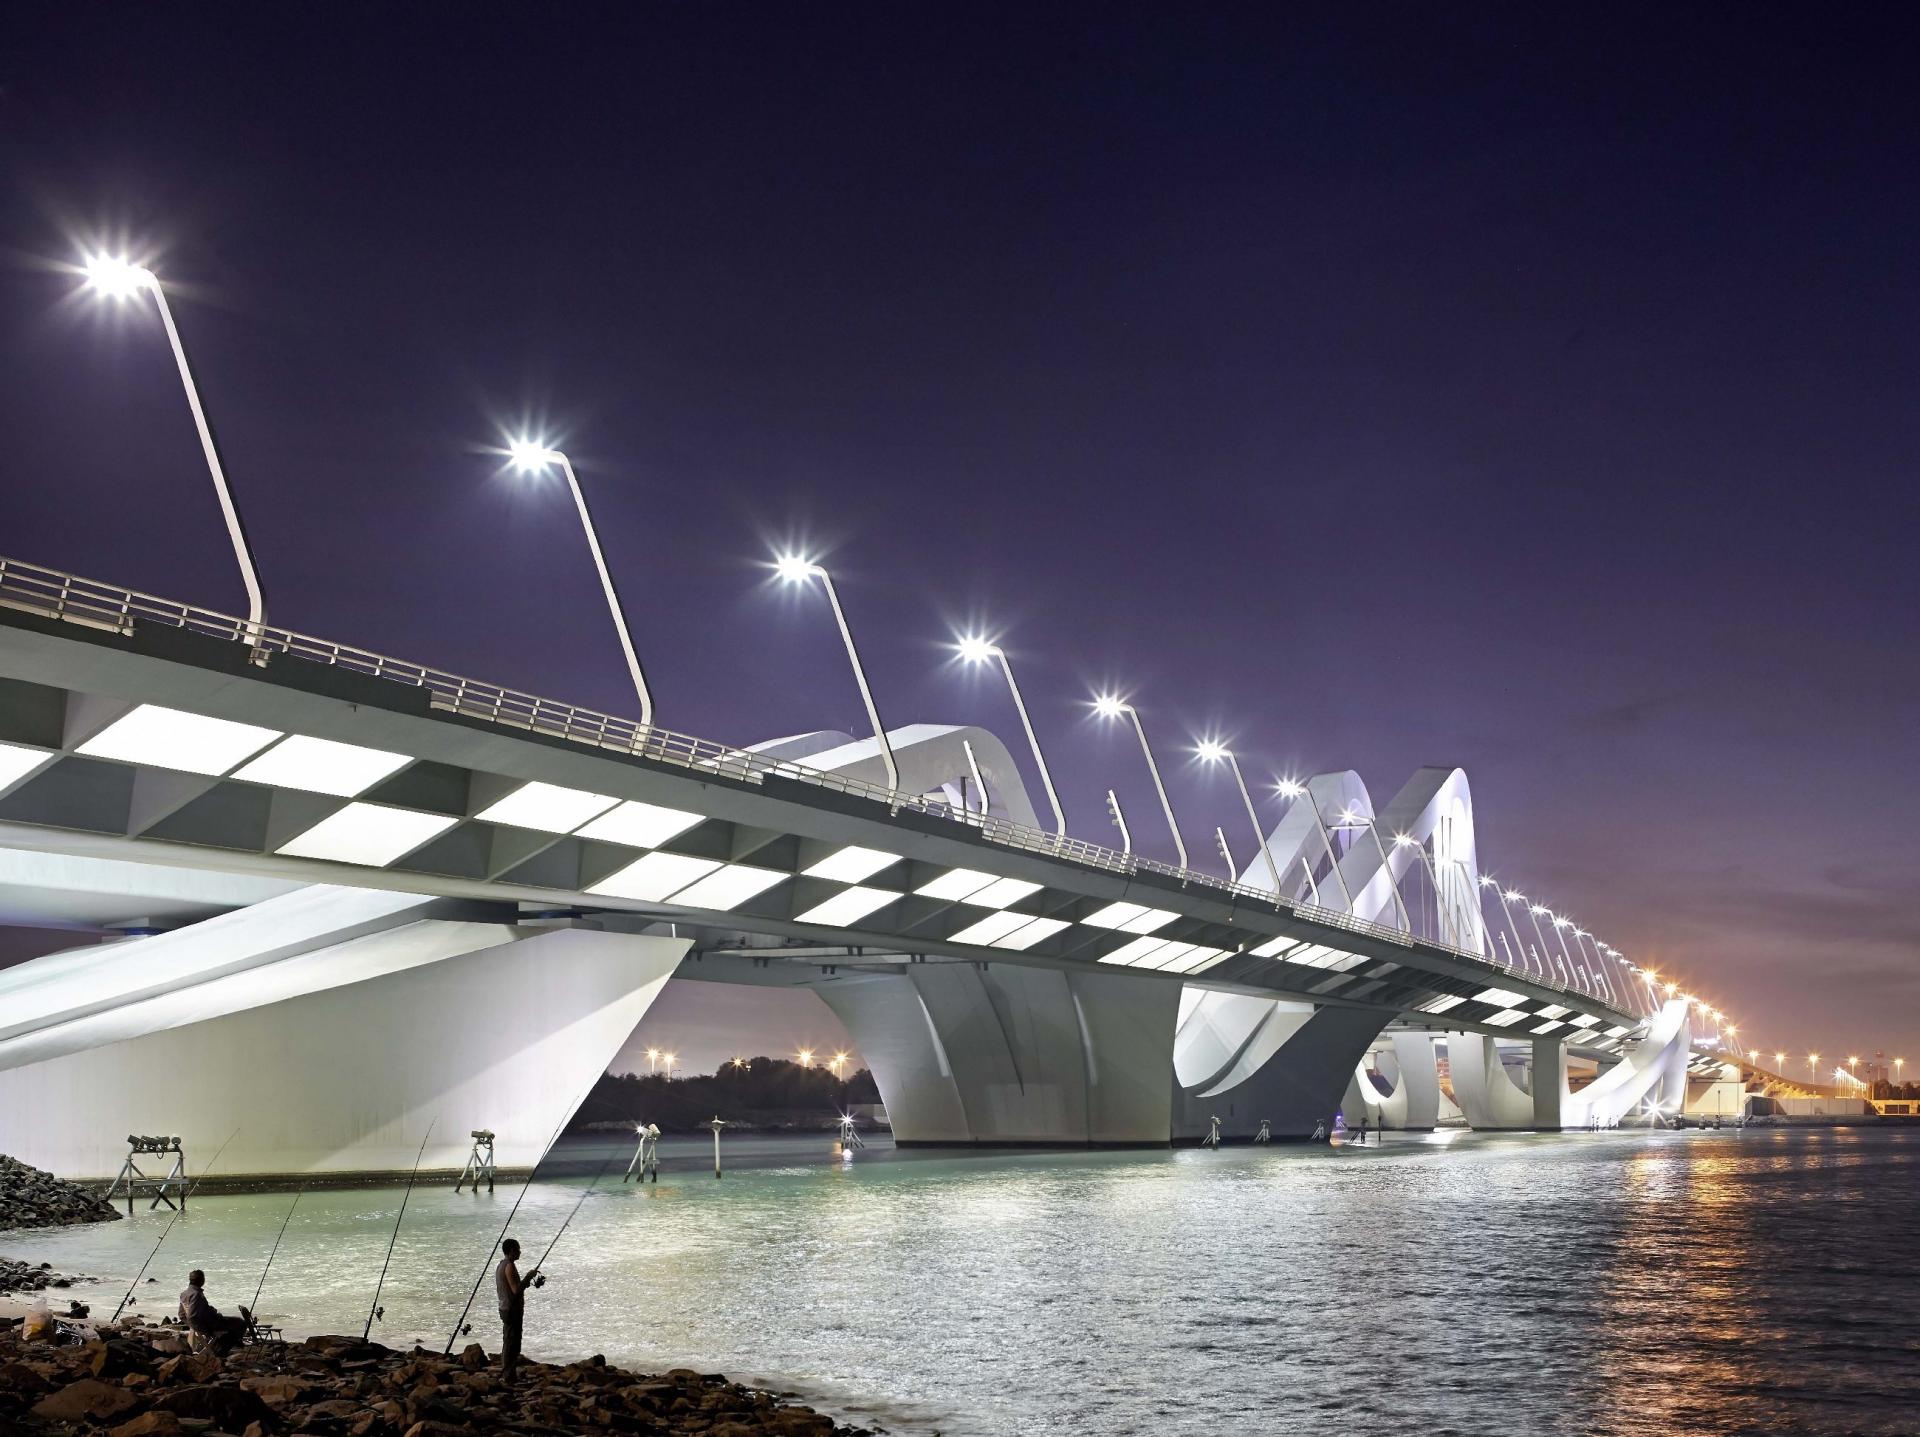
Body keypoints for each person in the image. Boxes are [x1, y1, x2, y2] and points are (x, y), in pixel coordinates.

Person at [495, 1238, 542, 1382]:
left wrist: (527, 1282)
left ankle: (509, 1373)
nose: (520, 1252)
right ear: (511, 1251)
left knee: (509, 1341)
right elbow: (516, 1290)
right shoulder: (509, 1266)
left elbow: (514, 1286)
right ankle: (508, 1376)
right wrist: (529, 1276)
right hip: (511, 1310)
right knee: (513, 1344)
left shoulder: (501, 1265)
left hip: (505, 1308)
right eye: (518, 1249)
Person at [178, 1270, 250, 1356]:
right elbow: (192, 1316)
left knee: (235, 1324)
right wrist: (205, 1331)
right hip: (211, 1324)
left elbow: (181, 1314)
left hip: (209, 1322)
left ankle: (229, 1344)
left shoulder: (184, 1294)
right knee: (240, 1323)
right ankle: (221, 1352)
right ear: (201, 1280)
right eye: (203, 1278)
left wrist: (192, 1326)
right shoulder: (196, 1295)